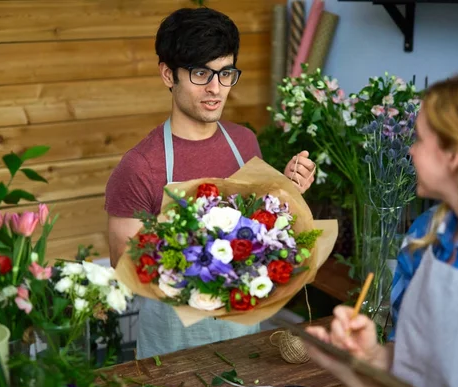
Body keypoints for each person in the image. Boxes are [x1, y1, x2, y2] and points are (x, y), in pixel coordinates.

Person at [306, 73, 458, 387]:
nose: (411, 152)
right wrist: (373, 358)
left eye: (419, 139)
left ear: (455, 154)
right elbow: (412, 365)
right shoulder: (426, 235)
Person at [105, 7, 316, 359]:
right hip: (173, 352)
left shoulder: (245, 142)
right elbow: (123, 264)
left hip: (245, 339)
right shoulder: (141, 165)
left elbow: (265, 230)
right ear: (168, 74)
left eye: (226, 73)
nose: (216, 89)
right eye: (201, 73)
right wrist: (198, 259)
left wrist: (287, 190)